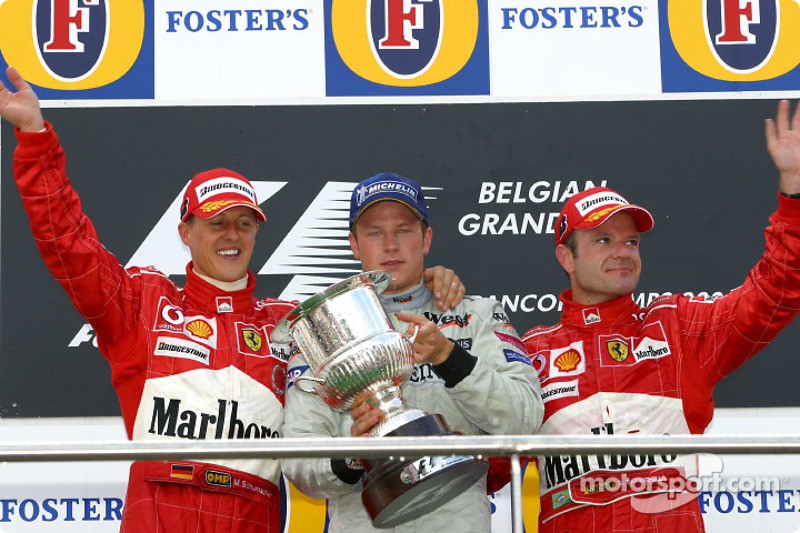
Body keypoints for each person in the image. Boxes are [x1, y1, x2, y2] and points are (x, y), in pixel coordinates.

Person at [0, 67, 465, 532]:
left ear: (257, 231)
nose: (232, 235)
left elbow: (372, 336)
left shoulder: (290, 323)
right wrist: (35, 136)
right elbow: (67, 241)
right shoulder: (143, 303)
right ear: (185, 232)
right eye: (216, 222)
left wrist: (432, 283)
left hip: (253, 514)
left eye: (244, 223)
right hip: (161, 512)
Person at [520, 99, 800, 532]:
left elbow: (775, 293)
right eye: (604, 240)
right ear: (566, 257)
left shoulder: (676, 327)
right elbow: (485, 466)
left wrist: (794, 191)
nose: (622, 253)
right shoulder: (531, 352)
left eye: (631, 243)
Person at [280, 172, 544, 532]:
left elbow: (525, 419)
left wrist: (450, 359)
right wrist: (352, 455)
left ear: (426, 239)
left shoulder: (476, 315)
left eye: (404, 230)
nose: (390, 245)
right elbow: (298, 465)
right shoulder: (322, 336)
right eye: (374, 232)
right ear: (354, 245)